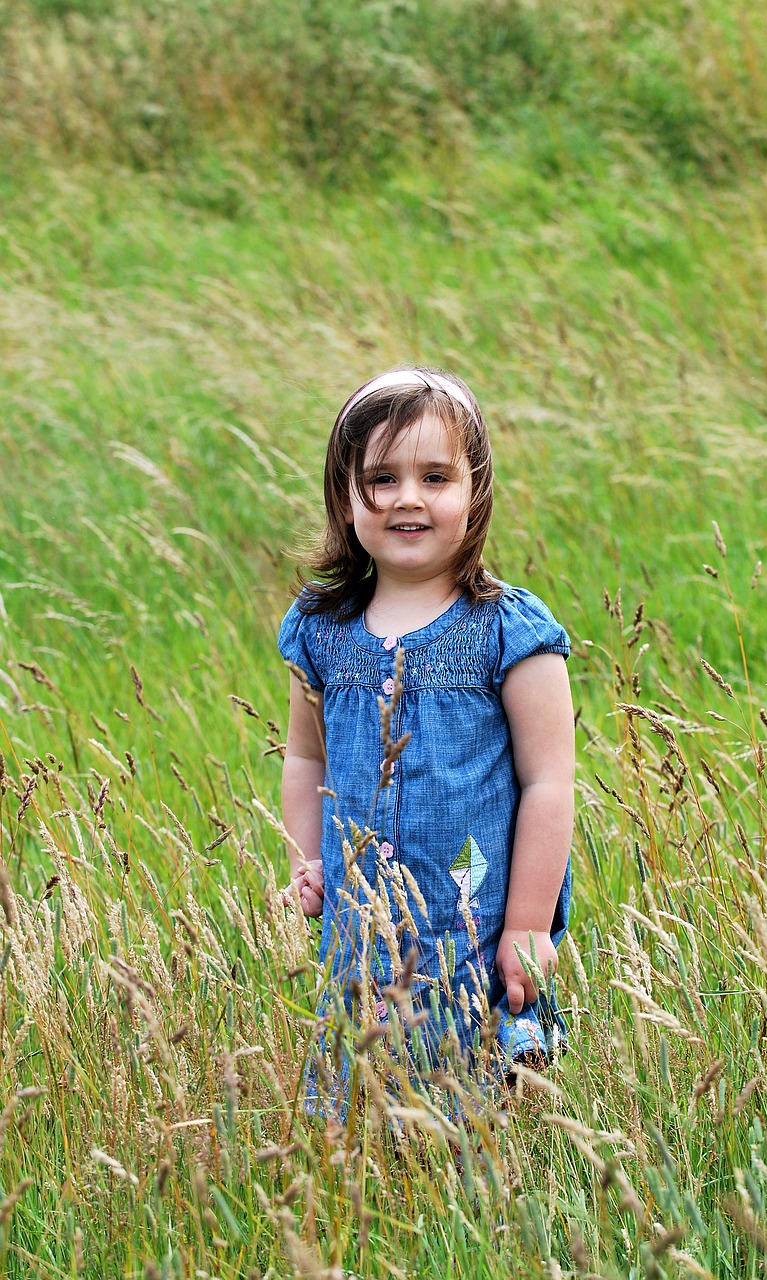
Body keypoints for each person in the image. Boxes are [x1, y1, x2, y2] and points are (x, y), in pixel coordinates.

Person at [278, 367, 575, 1099]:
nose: (409, 497)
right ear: (347, 500)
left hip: (472, 926)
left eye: (436, 476)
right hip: (362, 926)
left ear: (474, 494)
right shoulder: (322, 632)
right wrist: (304, 857)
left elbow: (549, 783)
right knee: (363, 1114)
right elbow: (304, 755)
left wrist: (530, 926)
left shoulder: (510, 631)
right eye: (382, 478)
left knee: (472, 1115)